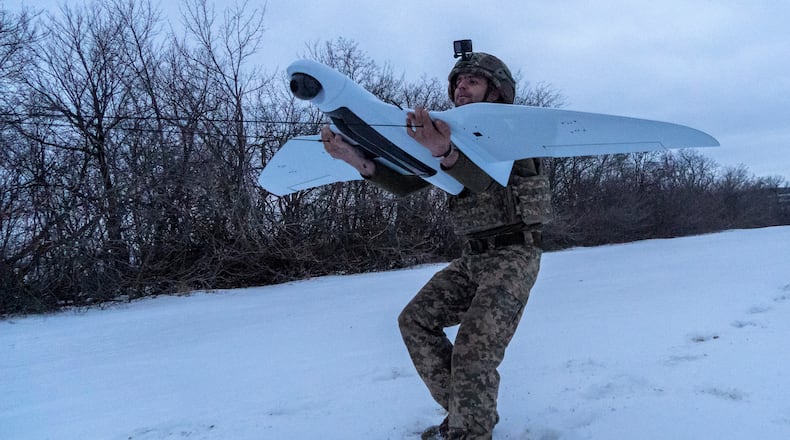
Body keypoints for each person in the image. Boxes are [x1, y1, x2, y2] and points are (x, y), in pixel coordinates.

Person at [321, 51, 551, 440]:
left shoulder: (518, 133)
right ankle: (466, 415)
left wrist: (443, 151)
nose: (461, 86)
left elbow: (483, 180)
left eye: (473, 81)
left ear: (496, 93)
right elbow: (411, 181)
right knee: (415, 321)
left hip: (514, 255)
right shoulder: (448, 134)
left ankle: (469, 431)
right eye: (458, 81)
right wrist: (356, 160)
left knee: (474, 349)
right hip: (472, 257)